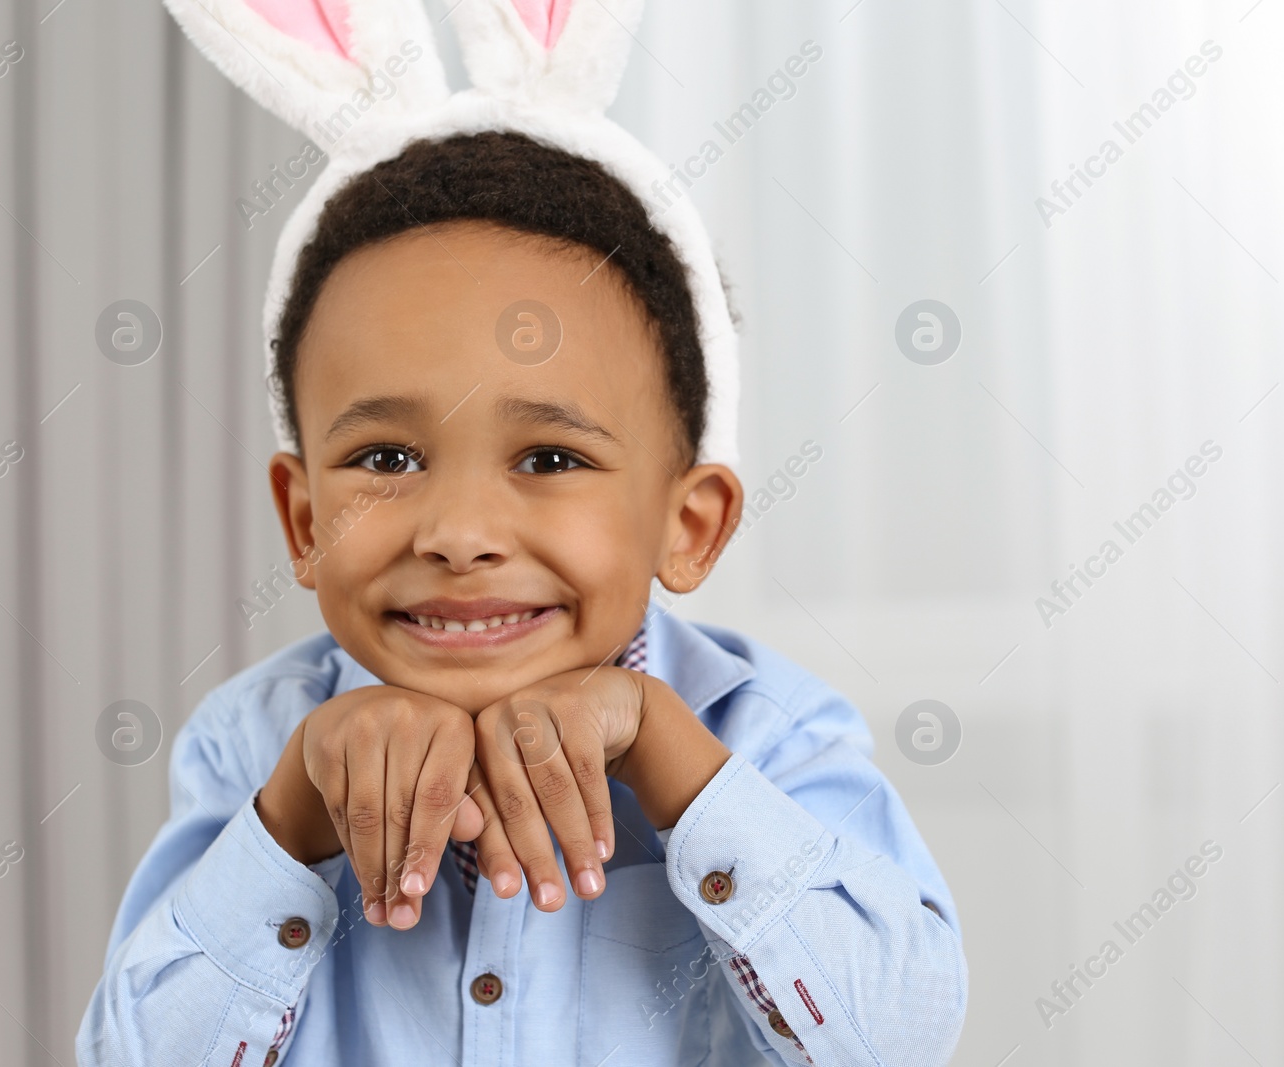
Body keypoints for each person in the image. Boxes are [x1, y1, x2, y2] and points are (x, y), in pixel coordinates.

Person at [79, 3, 966, 1065]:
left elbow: (899, 1037)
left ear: (688, 524)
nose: (457, 532)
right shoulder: (251, 747)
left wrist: (668, 755)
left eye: (548, 459)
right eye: (387, 459)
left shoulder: (769, 735)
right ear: (304, 519)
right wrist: (295, 819)